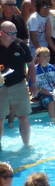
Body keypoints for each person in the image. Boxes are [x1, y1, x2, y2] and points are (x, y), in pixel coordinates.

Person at [0, 21, 35, 150]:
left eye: (15, 32)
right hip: (0, 87)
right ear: (1, 33)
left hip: (19, 84)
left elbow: (31, 65)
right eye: (10, 33)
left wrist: (33, 84)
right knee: (0, 118)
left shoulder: (21, 45)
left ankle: (26, 145)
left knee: (23, 116)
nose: (13, 36)